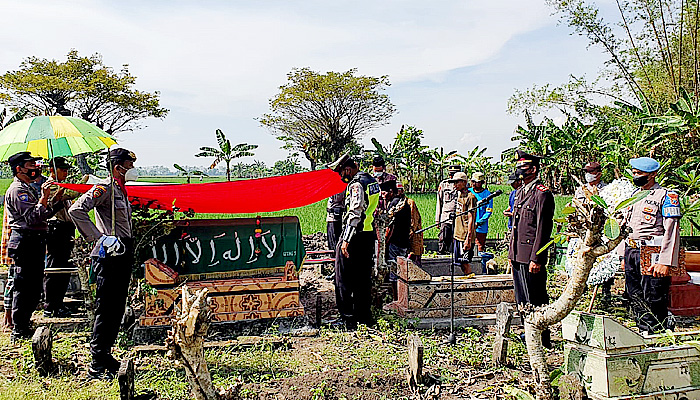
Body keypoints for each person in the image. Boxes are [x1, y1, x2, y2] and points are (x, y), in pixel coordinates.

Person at [69, 148, 137, 379]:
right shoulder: (104, 188)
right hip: (108, 254)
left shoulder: (121, 189)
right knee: (106, 307)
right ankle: (96, 362)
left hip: (123, 250)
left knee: (117, 306)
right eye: (129, 166)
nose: (132, 170)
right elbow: (76, 210)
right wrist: (101, 238)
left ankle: (106, 354)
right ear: (118, 167)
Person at [618, 157, 681, 334]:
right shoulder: (634, 195)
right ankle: (643, 329)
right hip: (632, 251)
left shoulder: (666, 196)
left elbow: (672, 231)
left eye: (639, 173)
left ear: (653, 174)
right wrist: (623, 254)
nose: (635, 176)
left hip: (652, 251)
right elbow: (626, 227)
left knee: (653, 295)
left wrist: (665, 261)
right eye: (634, 173)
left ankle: (656, 333)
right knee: (634, 295)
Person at [4, 151, 54, 342]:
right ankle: (19, 328)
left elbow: (43, 213)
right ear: (19, 169)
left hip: (35, 240)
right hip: (25, 241)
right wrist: (45, 196)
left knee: (33, 287)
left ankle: (24, 323)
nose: (35, 168)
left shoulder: (28, 188)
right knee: (23, 286)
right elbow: (33, 217)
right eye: (30, 164)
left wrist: (53, 200)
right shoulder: (18, 191)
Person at [508, 150, 555, 347]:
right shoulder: (519, 192)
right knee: (522, 299)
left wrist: (537, 258)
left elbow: (543, 229)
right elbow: (517, 227)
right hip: (518, 254)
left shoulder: (542, 194)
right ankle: (528, 331)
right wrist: (511, 253)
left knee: (536, 297)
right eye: (518, 167)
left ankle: (542, 338)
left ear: (533, 169)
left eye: (523, 168)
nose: (519, 171)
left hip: (531, 257)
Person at [330, 154, 379, 329]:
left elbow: (355, 212)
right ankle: (363, 316)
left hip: (355, 235)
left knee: (342, 277)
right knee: (362, 278)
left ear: (348, 169)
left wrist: (346, 240)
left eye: (342, 173)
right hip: (367, 234)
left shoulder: (356, 184)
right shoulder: (372, 181)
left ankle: (347, 318)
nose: (343, 177)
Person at [43, 157, 79, 318]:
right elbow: (49, 208)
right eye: (62, 169)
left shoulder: (62, 185)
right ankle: (50, 305)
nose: (65, 172)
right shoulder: (49, 187)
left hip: (67, 228)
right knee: (55, 267)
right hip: (56, 228)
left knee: (65, 267)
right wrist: (58, 196)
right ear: (52, 170)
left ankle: (59, 303)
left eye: (66, 170)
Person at [381, 180, 412, 300]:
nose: (382, 194)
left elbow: (391, 226)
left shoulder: (393, 204)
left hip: (394, 242)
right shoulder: (405, 203)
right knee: (402, 271)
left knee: (394, 272)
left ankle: (396, 299)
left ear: (391, 191)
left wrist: (385, 240)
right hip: (404, 241)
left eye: (384, 191)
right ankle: (403, 298)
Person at [451, 172, 478, 275]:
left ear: (464, 182)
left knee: (465, 262)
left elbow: (471, 218)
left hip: (465, 235)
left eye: (457, 182)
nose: (455, 185)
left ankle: (470, 283)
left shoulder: (470, 197)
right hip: (458, 234)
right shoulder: (459, 195)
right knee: (460, 263)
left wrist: (468, 238)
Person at [435, 165, 462, 254]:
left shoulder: (463, 185)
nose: (452, 176)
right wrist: (437, 220)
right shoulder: (443, 184)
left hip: (459, 216)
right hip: (446, 216)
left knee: (458, 238)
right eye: (451, 174)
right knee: (444, 236)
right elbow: (439, 202)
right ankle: (442, 253)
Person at [468, 172, 493, 253]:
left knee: (479, 246)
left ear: (481, 183)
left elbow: (488, 211)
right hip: (468, 225)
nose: (474, 184)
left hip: (480, 227)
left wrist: (479, 222)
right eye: (473, 182)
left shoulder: (487, 194)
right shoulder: (469, 192)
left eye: (477, 182)